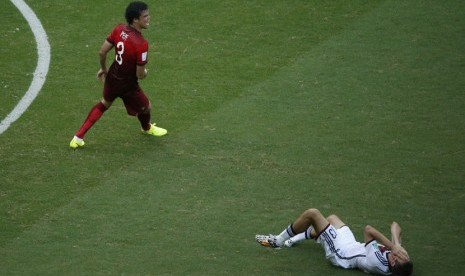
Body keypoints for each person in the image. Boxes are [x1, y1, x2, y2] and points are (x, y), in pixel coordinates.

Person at [69, 1, 167, 149]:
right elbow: (140, 75)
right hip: (128, 86)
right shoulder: (141, 44)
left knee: (104, 104)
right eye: (145, 16)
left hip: (113, 78)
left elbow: (102, 52)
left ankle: (78, 137)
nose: (148, 18)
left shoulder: (119, 29)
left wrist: (103, 68)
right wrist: (145, 72)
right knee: (147, 107)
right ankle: (146, 128)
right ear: (135, 19)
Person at [255, 208, 413, 275]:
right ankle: (294, 239)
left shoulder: (376, 262)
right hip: (351, 245)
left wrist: (393, 245)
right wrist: (397, 245)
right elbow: (395, 226)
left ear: (392, 261)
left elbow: (368, 229)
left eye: (399, 256)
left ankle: (278, 240)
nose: (403, 255)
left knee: (313, 214)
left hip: (340, 253)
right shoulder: (399, 263)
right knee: (331, 219)